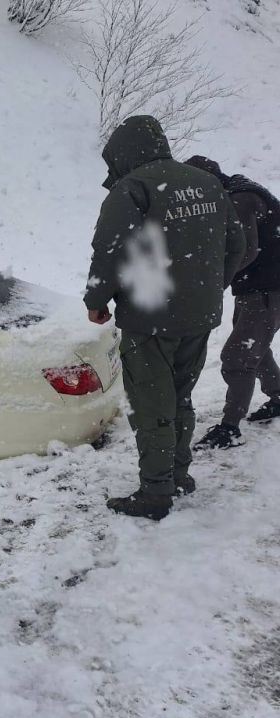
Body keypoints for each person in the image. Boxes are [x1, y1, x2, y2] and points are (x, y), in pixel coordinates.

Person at [83, 116, 246, 521]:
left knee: (152, 402)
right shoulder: (206, 182)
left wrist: (97, 298)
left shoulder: (133, 188)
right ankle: (178, 474)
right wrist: (210, 285)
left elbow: (110, 250)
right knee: (180, 396)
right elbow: (238, 243)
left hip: (151, 318)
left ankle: (156, 493)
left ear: (123, 152)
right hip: (200, 315)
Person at [184, 156, 280, 450]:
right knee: (254, 351)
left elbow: (246, 251)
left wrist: (211, 282)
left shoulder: (239, 199)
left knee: (237, 358)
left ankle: (229, 430)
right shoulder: (239, 191)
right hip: (260, 289)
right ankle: (278, 398)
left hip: (267, 292)